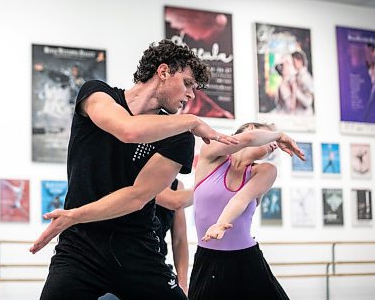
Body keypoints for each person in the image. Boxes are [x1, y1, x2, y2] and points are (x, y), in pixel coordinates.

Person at [29, 39, 238, 300]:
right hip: (80, 248)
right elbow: (128, 130)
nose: (191, 95)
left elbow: (137, 196)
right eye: (187, 84)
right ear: (163, 72)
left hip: (138, 249)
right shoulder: (96, 94)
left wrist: (75, 215)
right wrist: (193, 121)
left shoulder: (180, 136)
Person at [189, 122, 305, 300]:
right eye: (270, 135)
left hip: (247, 260)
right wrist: (279, 134)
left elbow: (240, 198)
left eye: (276, 139)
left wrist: (220, 224)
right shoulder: (210, 154)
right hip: (209, 261)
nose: (275, 143)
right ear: (251, 128)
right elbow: (249, 138)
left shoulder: (266, 170)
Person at [291, 51, 314, 115]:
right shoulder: (296, 76)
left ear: (300, 61)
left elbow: (308, 101)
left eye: (294, 61)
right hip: (298, 112)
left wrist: (296, 91)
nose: (293, 64)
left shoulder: (306, 77)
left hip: (305, 113)